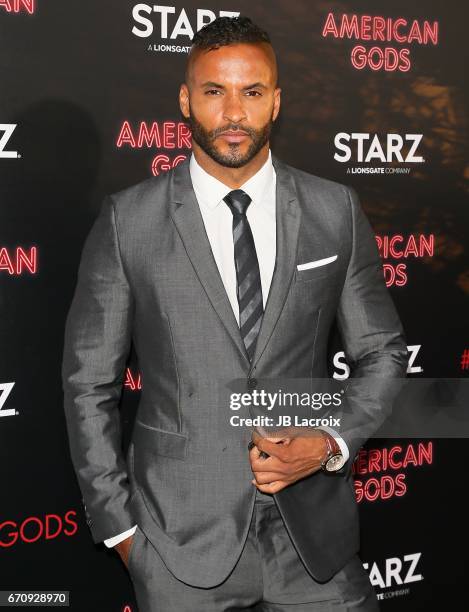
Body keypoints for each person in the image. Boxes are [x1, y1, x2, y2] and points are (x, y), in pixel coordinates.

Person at [62, 15, 408, 612]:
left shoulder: (334, 210)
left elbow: (381, 352)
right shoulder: (130, 221)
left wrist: (329, 442)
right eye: (213, 91)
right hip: (178, 544)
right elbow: (88, 384)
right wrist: (122, 532)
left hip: (314, 543)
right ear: (184, 99)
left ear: (276, 101)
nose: (232, 113)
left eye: (251, 92)